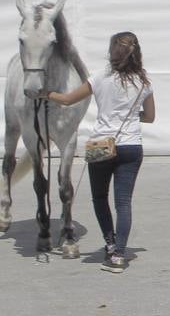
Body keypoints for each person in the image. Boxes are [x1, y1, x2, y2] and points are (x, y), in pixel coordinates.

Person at [45, 32, 156, 273]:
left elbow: (66, 100)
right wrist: (129, 115)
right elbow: (150, 117)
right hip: (130, 146)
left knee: (99, 198)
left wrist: (46, 94)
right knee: (123, 203)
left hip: (101, 146)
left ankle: (110, 243)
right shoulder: (144, 83)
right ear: (137, 54)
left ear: (111, 52)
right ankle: (119, 256)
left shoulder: (99, 77)